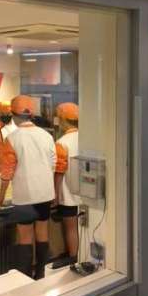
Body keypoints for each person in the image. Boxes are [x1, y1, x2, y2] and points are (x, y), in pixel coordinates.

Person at [0, 95, 56, 280]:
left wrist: (0, 196)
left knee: (25, 236)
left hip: (25, 195)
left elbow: (7, 172)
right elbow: (53, 164)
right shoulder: (47, 135)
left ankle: (26, 277)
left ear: (13, 115)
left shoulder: (12, 139)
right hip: (45, 193)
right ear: (32, 115)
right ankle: (42, 274)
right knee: (42, 233)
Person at [53, 103, 80, 269]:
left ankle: (73, 257)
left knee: (70, 227)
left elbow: (59, 171)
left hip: (68, 193)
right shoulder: (88, 137)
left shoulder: (62, 142)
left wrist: (55, 194)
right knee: (82, 226)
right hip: (85, 192)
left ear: (62, 120)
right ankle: (81, 254)